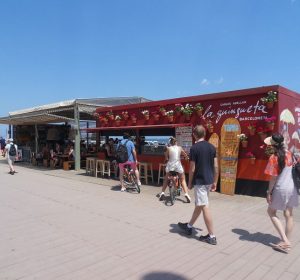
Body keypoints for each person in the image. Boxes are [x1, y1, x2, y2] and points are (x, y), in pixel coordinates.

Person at [178, 125, 219, 245]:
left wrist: (189, 183)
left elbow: (192, 168)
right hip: (209, 180)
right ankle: (189, 226)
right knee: (199, 205)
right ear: (205, 134)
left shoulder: (194, 148)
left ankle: (212, 236)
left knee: (204, 206)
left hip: (200, 181)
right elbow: (216, 166)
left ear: (194, 135)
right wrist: (215, 181)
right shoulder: (212, 147)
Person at [264, 133, 299, 253]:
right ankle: (286, 241)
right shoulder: (290, 154)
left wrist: (269, 192)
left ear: (273, 145)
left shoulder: (274, 157)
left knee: (271, 212)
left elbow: (273, 178)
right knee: (289, 214)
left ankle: (285, 241)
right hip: (292, 187)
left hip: (281, 188)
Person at [158, 137, 191, 203]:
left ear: (170, 143)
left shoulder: (168, 148)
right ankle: (186, 194)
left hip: (170, 166)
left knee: (166, 179)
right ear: (176, 142)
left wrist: (166, 157)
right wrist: (187, 158)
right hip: (178, 166)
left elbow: (166, 158)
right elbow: (185, 156)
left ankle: (162, 193)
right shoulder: (180, 148)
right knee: (182, 179)